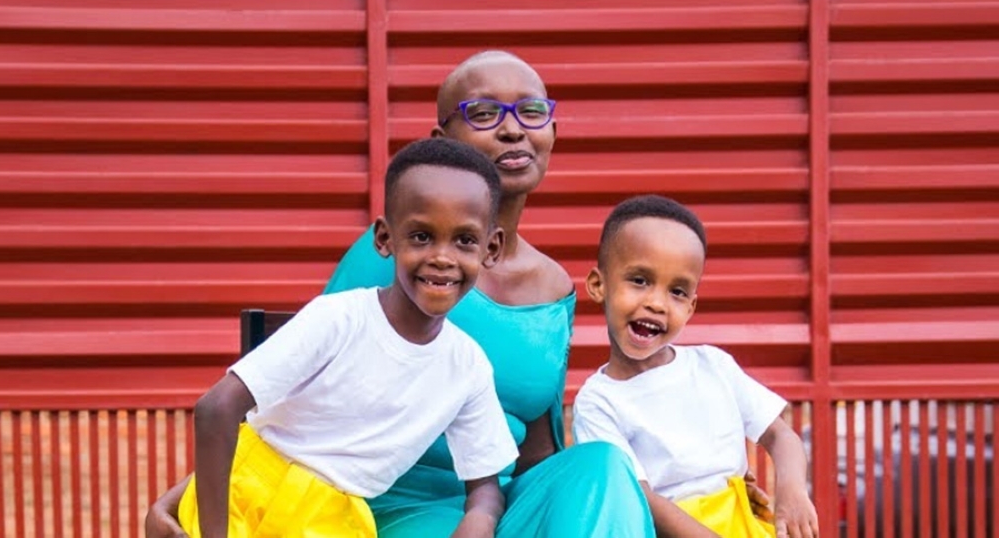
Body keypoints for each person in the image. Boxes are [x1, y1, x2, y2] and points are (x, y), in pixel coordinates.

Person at [148, 50, 767, 538]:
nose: (512, 131)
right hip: (378, 501)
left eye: (531, 112)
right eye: (483, 114)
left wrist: (690, 491)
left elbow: (542, 446)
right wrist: (188, 499)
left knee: (602, 465)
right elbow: (288, 395)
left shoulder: (555, 285)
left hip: (491, 500)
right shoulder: (390, 259)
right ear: (442, 135)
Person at [176, 138, 520, 538]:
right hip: (249, 490)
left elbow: (486, 486)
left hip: (335, 520)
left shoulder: (467, 365)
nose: (442, 257)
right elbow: (216, 408)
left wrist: (478, 521)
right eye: (421, 236)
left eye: (464, 240)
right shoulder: (339, 319)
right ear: (384, 239)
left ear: (490, 248)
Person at [572, 195, 820, 538]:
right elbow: (639, 498)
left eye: (677, 291)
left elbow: (780, 436)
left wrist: (793, 492)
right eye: (640, 280)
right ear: (599, 285)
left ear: (691, 307)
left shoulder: (713, 366)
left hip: (741, 523)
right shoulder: (598, 401)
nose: (657, 303)